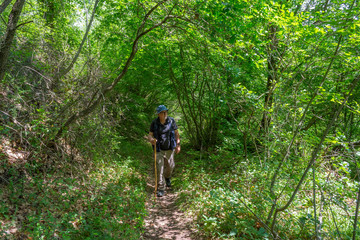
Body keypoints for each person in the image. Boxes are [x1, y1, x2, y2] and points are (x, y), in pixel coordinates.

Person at [148, 105, 181, 197]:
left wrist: (178, 145)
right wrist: (151, 140)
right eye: (163, 112)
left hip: (170, 149)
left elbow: (176, 133)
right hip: (158, 149)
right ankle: (161, 188)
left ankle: (167, 177)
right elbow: (150, 135)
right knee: (160, 169)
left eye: (166, 111)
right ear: (159, 114)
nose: (165, 113)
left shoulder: (171, 121)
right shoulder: (154, 123)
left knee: (170, 166)